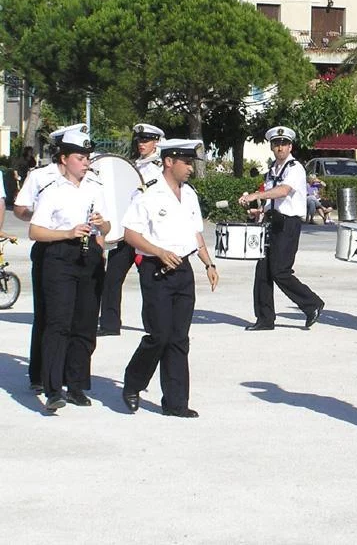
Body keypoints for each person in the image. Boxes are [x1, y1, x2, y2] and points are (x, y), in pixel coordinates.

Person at [120, 139, 219, 417]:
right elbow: (131, 234)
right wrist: (159, 252)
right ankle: (133, 383)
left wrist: (208, 263)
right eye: (186, 162)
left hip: (183, 271)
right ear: (169, 161)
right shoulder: (148, 193)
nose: (190, 168)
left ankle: (176, 403)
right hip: (156, 270)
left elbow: (195, 234)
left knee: (179, 338)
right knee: (159, 335)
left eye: (191, 163)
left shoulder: (189, 195)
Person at [28, 128, 110, 412]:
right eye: (80, 157)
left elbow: (108, 228)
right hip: (60, 257)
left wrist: (102, 223)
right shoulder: (52, 190)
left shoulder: (95, 188)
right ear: (64, 159)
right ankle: (53, 389)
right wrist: (67, 233)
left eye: (87, 157)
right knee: (58, 324)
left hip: (89, 257)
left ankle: (76, 385)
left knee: (85, 325)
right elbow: (35, 231)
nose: (86, 162)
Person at [13, 122, 86, 394]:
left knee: (69, 316)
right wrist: (43, 217)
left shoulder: (84, 177)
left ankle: (62, 372)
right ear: (62, 152)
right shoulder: (40, 176)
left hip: (75, 249)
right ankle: (39, 374)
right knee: (46, 313)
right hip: (48, 248)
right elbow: (21, 208)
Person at [239, 126, 325, 330]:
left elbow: (284, 191)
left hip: (288, 223)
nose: (280, 148)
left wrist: (256, 195)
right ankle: (265, 318)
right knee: (262, 271)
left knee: (280, 270)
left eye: (284, 144)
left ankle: (312, 303)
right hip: (272, 221)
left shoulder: (295, 168)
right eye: (276, 144)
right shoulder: (272, 170)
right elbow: (272, 197)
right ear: (271, 147)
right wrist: (259, 211)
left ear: (290, 146)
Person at [98, 123, 165, 337]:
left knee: (150, 279)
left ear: (156, 142)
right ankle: (109, 324)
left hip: (145, 232)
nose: (141, 144)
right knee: (112, 278)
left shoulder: (159, 168)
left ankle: (154, 325)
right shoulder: (133, 165)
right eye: (139, 140)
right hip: (126, 231)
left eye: (146, 140)